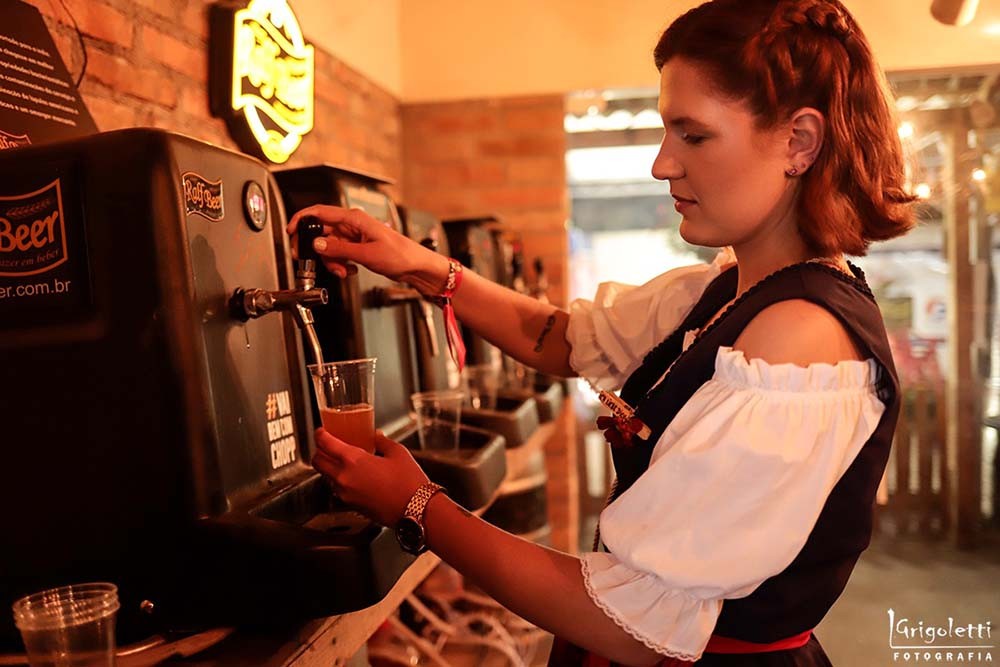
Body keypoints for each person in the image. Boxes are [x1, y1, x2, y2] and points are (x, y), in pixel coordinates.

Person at [287, 0, 915, 664]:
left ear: (799, 142)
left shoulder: (799, 342)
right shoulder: (728, 287)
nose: (662, 163)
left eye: (692, 135)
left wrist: (417, 503)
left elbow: (632, 622)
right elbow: (561, 337)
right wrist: (421, 265)